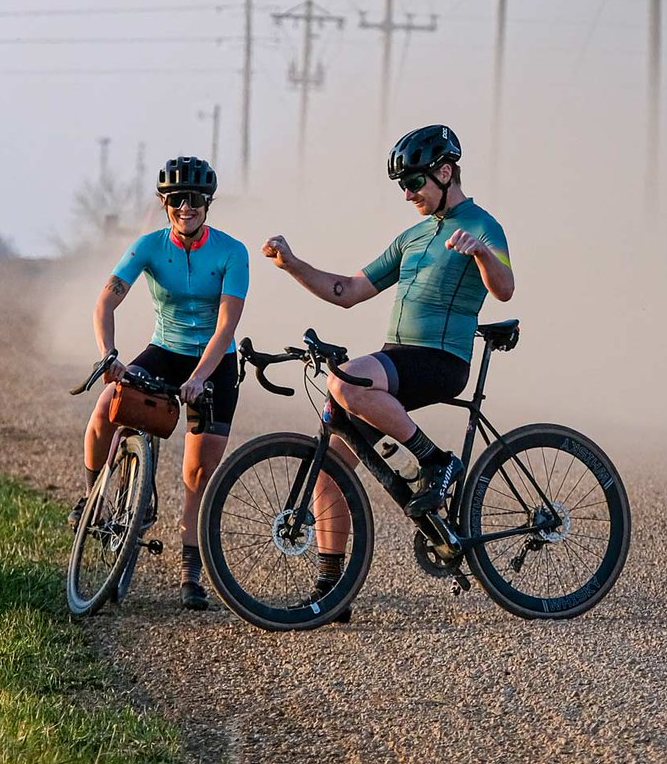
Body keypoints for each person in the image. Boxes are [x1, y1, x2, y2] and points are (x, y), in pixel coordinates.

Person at [262, 124, 513, 613]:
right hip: (396, 357)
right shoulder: (414, 236)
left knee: (347, 379)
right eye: (402, 185)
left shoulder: (483, 225)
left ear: (445, 172)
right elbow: (349, 291)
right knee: (330, 468)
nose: (407, 193)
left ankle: (435, 460)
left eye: (414, 182)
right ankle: (332, 590)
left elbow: (504, 288)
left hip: (441, 359)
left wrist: (481, 251)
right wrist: (293, 264)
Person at [72, 156, 249, 612]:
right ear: (165, 204)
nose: (184, 208)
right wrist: (109, 354)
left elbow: (226, 327)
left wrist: (198, 378)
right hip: (164, 350)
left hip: (214, 362)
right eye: (175, 200)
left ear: (207, 204)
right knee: (104, 410)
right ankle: (94, 500)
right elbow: (105, 303)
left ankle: (190, 571)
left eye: (193, 200)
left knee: (197, 474)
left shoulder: (233, 252)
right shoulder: (149, 246)